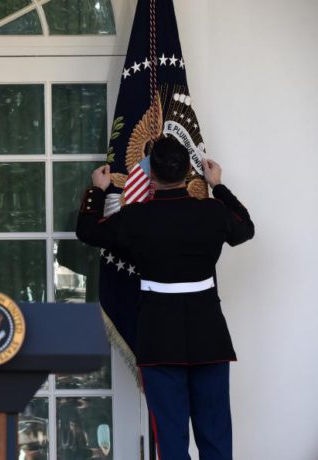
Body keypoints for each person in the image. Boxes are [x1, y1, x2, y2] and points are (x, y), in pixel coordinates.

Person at [76, 136, 254, 460]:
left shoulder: (136, 217)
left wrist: (98, 190)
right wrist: (217, 185)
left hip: (159, 338)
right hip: (209, 336)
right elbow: (245, 229)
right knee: (215, 438)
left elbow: (87, 231)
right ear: (188, 172)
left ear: (151, 176)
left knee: (171, 442)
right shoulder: (213, 212)